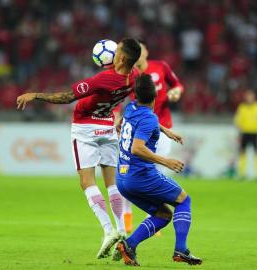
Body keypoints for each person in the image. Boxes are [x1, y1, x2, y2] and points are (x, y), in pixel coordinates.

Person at [17, 38, 181, 259]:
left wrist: (36, 95)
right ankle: (122, 229)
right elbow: (139, 105)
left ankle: (108, 230)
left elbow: (68, 97)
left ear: (121, 57)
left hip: (85, 126)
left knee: (87, 182)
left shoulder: (104, 79)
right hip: (107, 125)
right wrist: (164, 129)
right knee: (111, 183)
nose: (114, 52)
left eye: (117, 50)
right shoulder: (133, 77)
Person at [114, 74, 202, 266]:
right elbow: (137, 148)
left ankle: (128, 245)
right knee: (184, 200)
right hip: (141, 176)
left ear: (136, 96)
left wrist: (165, 130)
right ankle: (181, 250)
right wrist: (166, 161)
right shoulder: (150, 118)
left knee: (163, 215)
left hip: (122, 179)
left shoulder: (131, 108)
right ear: (155, 97)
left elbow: (122, 123)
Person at [121, 40, 185, 234]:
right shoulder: (130, 75)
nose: (139, 54)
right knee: (129, 171)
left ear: (147, 51)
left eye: (141, 50)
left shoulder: (161, 66)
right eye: (136, 52)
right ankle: (126, 222)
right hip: (137, 128)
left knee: (154, 173)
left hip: (160, 129)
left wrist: (175, 92)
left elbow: (178, 86)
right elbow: (119, 97)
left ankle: (154, 219)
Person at [234, 90, 257, 179]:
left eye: (251, 96)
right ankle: (242, 173)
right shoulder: (242, 107)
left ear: (254, 97)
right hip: (245, 133)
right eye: (248, 96)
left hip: (255, 133)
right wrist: (239, 132)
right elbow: (238, 120)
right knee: (242, 153)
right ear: (245, 97)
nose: (249, 98)